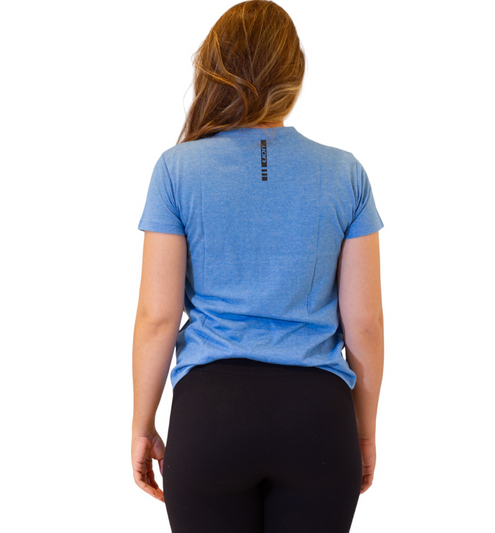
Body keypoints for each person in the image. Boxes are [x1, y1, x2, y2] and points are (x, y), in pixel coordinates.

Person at [131, 1, 384, 531]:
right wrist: (363, 430)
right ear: (295, 74)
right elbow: (364, 325)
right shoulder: (345, 174)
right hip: (319, 424)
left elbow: (158, 318)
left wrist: (142, 423)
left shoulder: (176, 170)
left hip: (210, 421)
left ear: (214, 68)